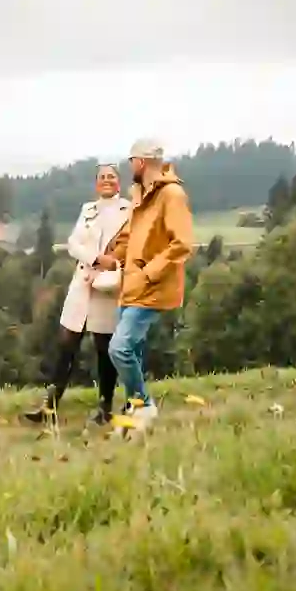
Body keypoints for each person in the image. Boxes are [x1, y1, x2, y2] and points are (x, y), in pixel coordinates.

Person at [23, 164, 132, 426]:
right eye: (102, 177)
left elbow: (131, 246)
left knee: (104, 348)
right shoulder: (88, 210)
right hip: (82, 282)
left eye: (111, 177)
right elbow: (74, 243)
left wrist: (111, 263)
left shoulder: (129, 210)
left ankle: (105, 408)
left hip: (107, 285)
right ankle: (50, 407)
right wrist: (95, 257)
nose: (107, 180)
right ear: (96, 184)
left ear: (119, 183)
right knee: (66, 345)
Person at [108, 138, 193, 426]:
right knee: (134, 353)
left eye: (131, 161)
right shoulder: (140, 193)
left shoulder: (172, 195)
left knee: (119, 348)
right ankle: (135, 410)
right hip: (130, 286)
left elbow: (182, 244)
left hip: (152, 287)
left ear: (141, 162)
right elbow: (130, 236)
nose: (130, 165)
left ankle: (143, 405)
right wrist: (106, 258)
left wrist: (148, 273)